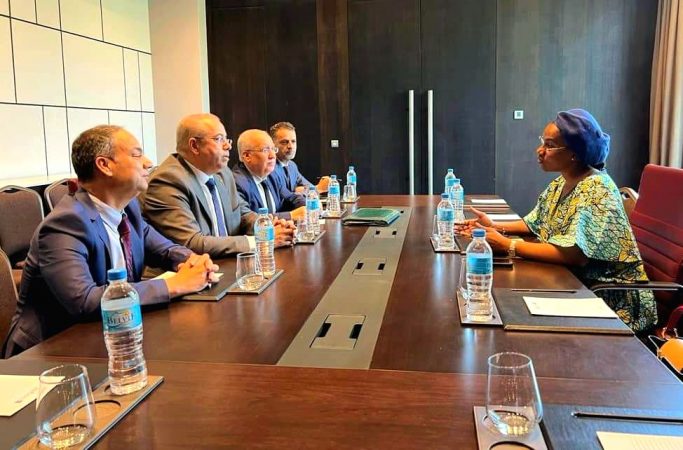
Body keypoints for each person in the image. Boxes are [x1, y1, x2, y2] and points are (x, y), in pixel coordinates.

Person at [3, 125, 218, 357]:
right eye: (137, 154)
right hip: (49, 352)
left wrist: (193, 261)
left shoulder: (129, 209)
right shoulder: (65, 223)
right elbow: (84, 301)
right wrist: (175, 284)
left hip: (113, 336)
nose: (148, 163)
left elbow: (164, 250)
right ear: (104, 165)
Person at [458, 109, 656, 333]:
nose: (540, 150)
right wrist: (494, 226)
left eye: (550, 145)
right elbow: (535, 222)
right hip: (574, 283)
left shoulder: (597, 189)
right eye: (542, 142)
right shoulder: (563, 182)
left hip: (610, 299)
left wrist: (508, 245)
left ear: (574, 153)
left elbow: (574, 255)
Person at [141, 114, 295, 257]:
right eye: (219, 139)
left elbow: (242, 214)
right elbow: (192, 243)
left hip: (228, 264)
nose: (228, 146)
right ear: (194, 146)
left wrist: (267, 226)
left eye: (227, 140)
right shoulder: (168, 181)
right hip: (191, 271)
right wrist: (262, 240)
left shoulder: (223, 173)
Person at [232, 129, 306, 221]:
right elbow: (248, 220)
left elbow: (292, 198)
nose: (273, 156)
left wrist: (307, 207)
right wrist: (290, 215)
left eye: (273, 149)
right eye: (265, 150)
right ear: (247, 156)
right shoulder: (236, 183)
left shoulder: (272, 175)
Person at [270, 121, 329, 194]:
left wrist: (303, 190)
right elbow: (284, 197)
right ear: (272, 145)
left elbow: (308, 186)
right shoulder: (270, 168)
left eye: (293, 141)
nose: (290, 146)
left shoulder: (292, 165)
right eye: (284, 142)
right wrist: (318, 188)